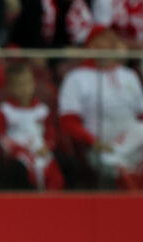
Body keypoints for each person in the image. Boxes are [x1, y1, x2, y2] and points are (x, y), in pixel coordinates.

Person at [59, 25, 143, 188]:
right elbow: (68, 121)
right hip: (100, 147)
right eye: (105, 36)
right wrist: (93, 141)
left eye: (113, 35)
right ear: (92, 45)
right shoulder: (76, 78)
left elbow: (141, 116)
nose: (112, 40)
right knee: (111, 166)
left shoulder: (129, 75)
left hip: (133, 144)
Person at [0, 64, 64, 190]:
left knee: (58, 167)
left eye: (27, 83)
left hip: (41, 150)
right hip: (18, 155)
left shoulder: (42, 110)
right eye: (19, 85)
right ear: (9, 87)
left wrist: (47, 146)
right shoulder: (5, 111)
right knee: (20, 170)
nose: (24, 89)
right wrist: (19, 149)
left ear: (33, 84)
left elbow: (51, 134)